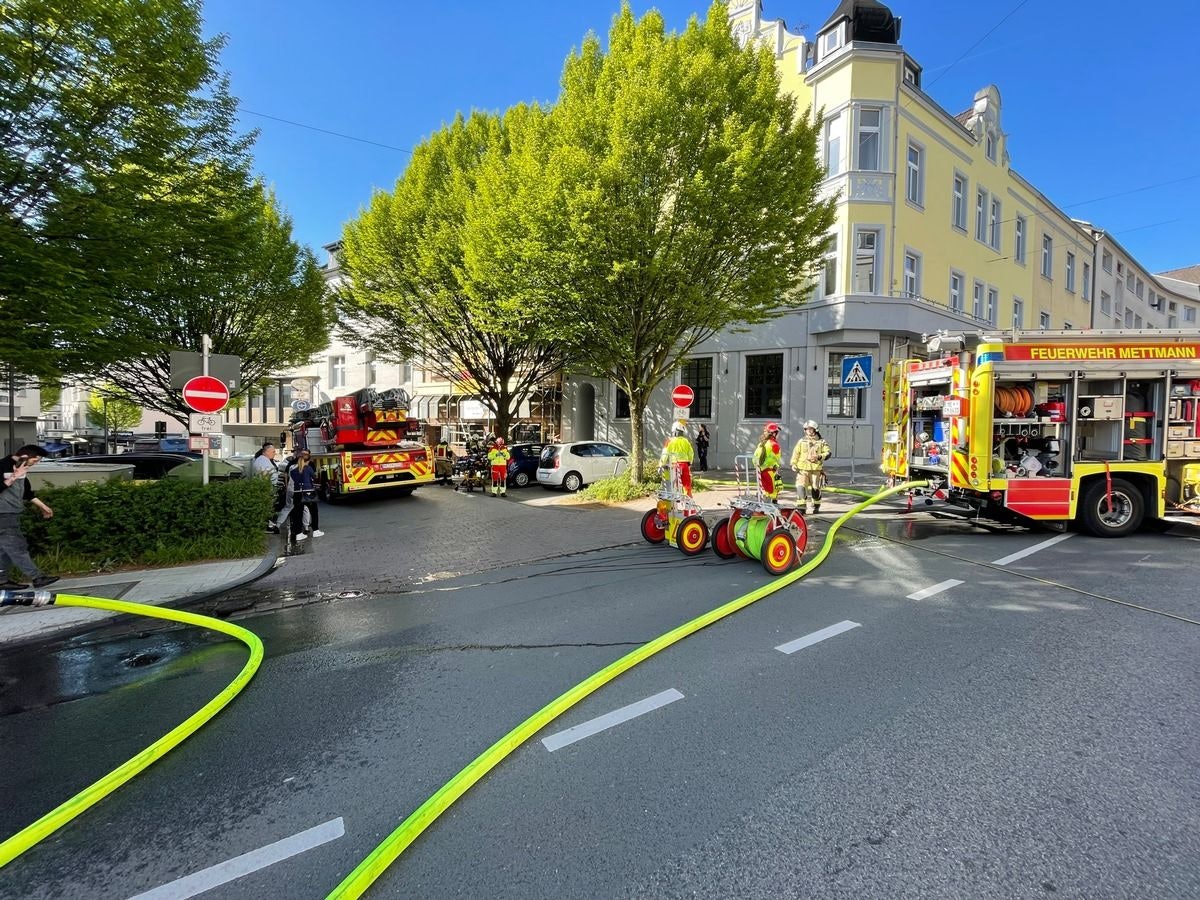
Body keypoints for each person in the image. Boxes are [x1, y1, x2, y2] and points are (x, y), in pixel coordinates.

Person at [0, 445, 58, 589]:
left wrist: (44, 507)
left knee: (4, 548)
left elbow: (27, 493)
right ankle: (37, 577)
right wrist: (13, 477)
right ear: (25, 456)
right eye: (35, 460)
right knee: (17, 546)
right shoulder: (1, 466)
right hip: (3, 514)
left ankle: (2, 580)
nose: (36, 463)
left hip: (12, 512)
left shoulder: (22, 469)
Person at [791, 419, 832, 514]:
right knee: (800, 487)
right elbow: (796, 453)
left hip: (815, 470)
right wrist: (793, 463)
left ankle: (816, 505)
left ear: (815, 430)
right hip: (802, 470)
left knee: (815, 489)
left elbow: (828, 453)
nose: (808, 431)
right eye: (807, 429)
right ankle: (801, 508)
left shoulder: (821, 442)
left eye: (811, 429)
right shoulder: (801, 441)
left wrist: (819, 456)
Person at [288, 451, 324, 541]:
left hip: (297, 492)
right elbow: (314, 477)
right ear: (306, 461)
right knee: (314, 512)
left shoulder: (292, 471)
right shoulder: (308, 468)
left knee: (298, 514)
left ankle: (298, 534)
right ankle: (316, 530)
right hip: (308, 492)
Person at [252, 442, 283, 533]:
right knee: (266, 509)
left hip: (266, 489)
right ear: (266, 452)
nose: (275, 453)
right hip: (266, 490)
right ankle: (266, 526)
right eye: (273, 451)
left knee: (267, 509)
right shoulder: (263, 462)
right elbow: (267, 476)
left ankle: (268, 524)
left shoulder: (261, 460)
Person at [659, 419, 694, 495]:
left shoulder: (669, 441)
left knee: (674, 485)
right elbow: (691, 453)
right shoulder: (686, 441)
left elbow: (664, 454)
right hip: (685, 465)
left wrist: (661, 465)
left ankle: (675, 501)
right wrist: (690, 463)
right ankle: (688, 503)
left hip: (674, 466)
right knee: (686, 485)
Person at [752, 422, 783, 502]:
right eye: (777, 433)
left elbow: (755, 458)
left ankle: (766, 504)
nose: (778, 435)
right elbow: (774, 459)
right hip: (771, 471)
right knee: (774, 489)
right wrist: (774, 466)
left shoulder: (761, 443)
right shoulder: (774, 444)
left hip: (761, 471)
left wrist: (758, 468)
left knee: (766, 489)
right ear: (773, 433)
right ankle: (772, 506)